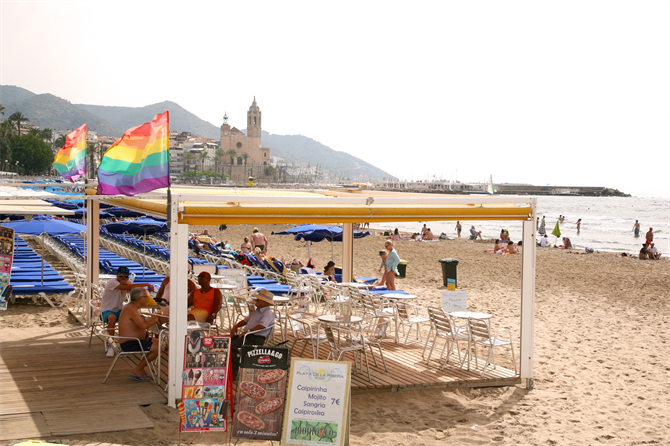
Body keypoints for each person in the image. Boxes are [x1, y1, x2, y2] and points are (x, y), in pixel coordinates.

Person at [100, 266, 155, 357]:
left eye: (126, 276)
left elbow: (134, 290)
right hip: (107, 310)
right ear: (117, 275)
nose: (123, 278)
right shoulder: (112, 282)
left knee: (137, 318)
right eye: (121, 275)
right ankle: (111, 345)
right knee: (112, 318)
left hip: (119, 310)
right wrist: (147, 284)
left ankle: (140, 341)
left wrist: (127, 283)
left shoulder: (127, 283)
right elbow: (130, 287)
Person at [230, 288, 276, 376]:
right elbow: (246, 320)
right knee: (228, 343)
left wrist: (248, 331)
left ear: (264, 302)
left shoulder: (268, 313)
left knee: (232, 347)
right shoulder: (257, 311)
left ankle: (235, 370)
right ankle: (232, 367)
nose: (256, 302)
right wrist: (235, 326)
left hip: (256, 338)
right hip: (248, 335)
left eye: (258, 300)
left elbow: (262, 326)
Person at [118, 287, 160, 382]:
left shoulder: (132, 307)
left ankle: (141, 367)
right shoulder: (131, 309)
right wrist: (155, 319)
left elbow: (138, 326)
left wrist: (145, 333)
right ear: (140, 299)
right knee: (157, 348)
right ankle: (138, 369)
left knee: (160, 343)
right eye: (146, 297)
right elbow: (143, 325)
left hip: (136, 340)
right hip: (129, 343)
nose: (148, 299)